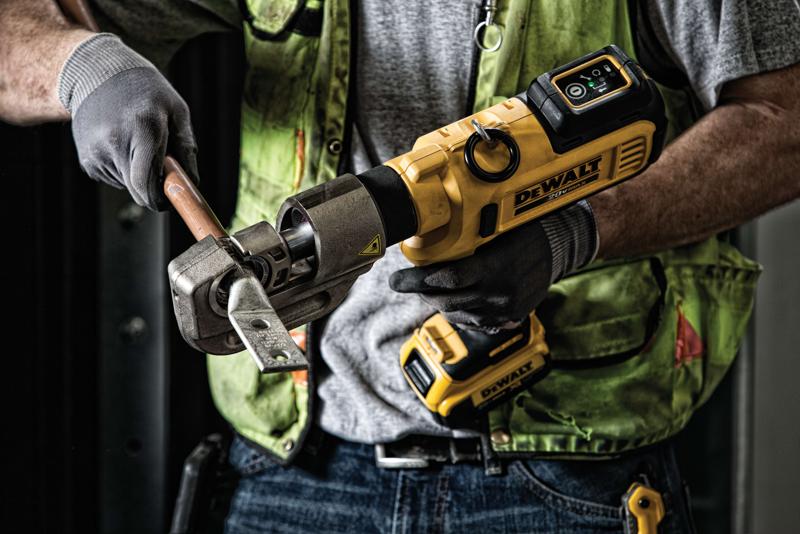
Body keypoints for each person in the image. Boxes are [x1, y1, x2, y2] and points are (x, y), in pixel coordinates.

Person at [2, 0, 799, 531]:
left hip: (567, 480)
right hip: (295, 470)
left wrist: (576, 233)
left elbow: (784, 119)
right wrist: (85, 68)